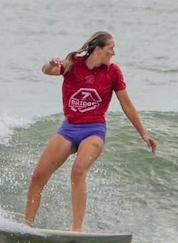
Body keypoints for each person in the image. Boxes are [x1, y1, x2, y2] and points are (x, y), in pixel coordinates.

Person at [24, 31, 157, 232]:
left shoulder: (113, 72)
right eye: (111, 48)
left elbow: (127, 105)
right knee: (38, 176)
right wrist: (50, 64)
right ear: (98, 49)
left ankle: (76, 230)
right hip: (69, 128)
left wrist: (143, 134)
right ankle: (27, 225)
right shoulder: (72, 64)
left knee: (78, 171)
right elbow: (46, 71)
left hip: (93, 130)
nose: (114, 53)